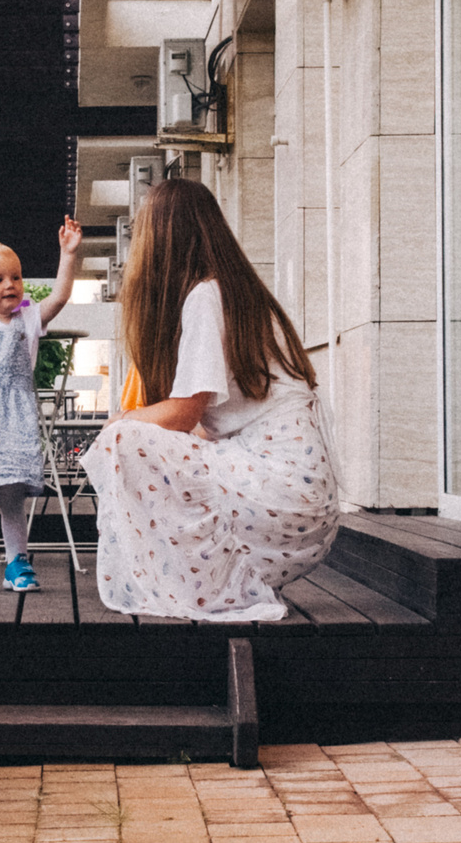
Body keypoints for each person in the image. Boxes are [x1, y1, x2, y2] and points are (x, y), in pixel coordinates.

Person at [81, 176, 340, 620]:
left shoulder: (205, 295)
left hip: (281, 491)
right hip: (305, 499)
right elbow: (203, 425)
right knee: (137, 436)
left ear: (161, 239)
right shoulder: (237, 292)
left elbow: (183, 416)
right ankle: (193, 581)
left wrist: (121, 421)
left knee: (124, 439)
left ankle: (188, 585)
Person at [0, 199, 83, 591]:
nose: (10, 285)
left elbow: (59, 296)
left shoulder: (29, 318)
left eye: (16, 277)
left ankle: (17, 562)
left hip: (16, 418)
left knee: (11, 496)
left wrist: (67, 255)